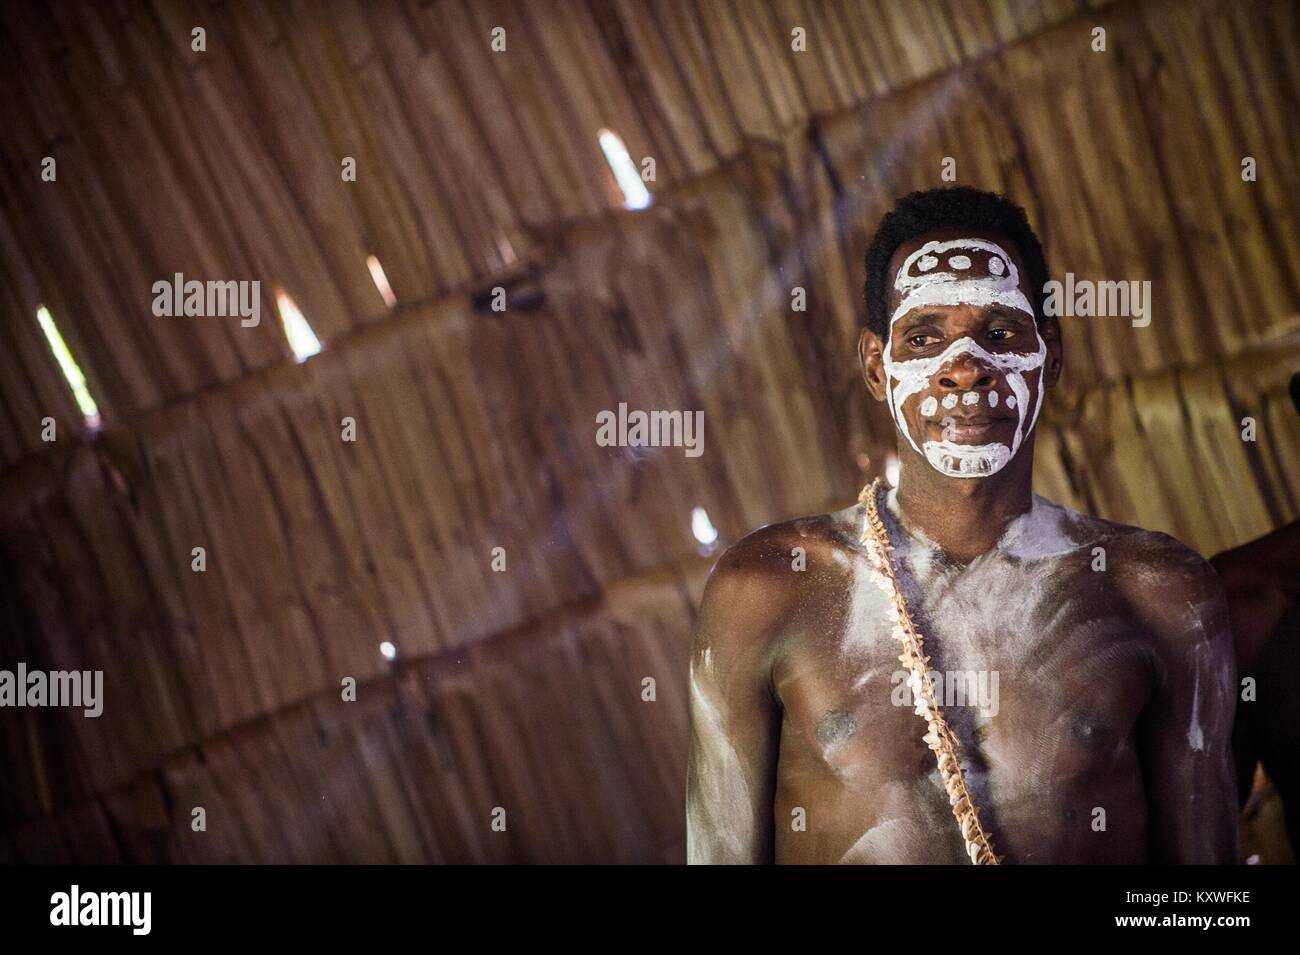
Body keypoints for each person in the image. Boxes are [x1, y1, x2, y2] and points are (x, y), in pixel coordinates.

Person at [685, 187, 1239, 864]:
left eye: (1000, 331)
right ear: (876, 366)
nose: (966, 367)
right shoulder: (766, 590)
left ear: (1051, 354)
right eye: (925, 336)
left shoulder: (1160, 592)